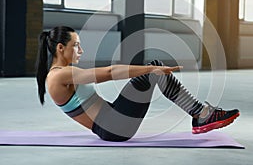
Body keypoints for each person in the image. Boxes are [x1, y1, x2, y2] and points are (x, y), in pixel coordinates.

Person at [36, 26, 240, 142]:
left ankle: (200, 114)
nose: (81, 51)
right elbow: (109, 72)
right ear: (61, 48)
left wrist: (152, 70)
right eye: (76, 46)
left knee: (155, 68)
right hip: (113, 127)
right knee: (155, 69)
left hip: (113, 120)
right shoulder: (59, 76)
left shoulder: (60, 74)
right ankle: (201, 115)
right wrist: (150, 70)